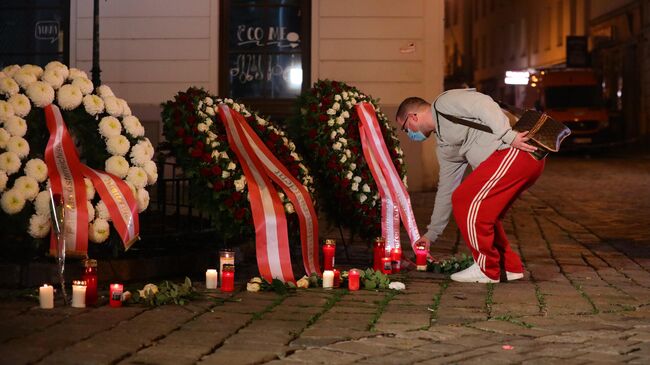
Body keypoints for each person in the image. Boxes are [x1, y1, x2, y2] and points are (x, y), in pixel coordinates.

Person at [396, 89, 544, 283]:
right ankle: (507, 267)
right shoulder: (444, 145)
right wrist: (431, 234)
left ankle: (486, 269)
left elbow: (484, 103)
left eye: (405, 128)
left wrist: (508, 135)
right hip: (508, 160)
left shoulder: (444, 102)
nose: (409, 135)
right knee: (484, 212)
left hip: (515, 151)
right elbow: (446, 189)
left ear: (413, 117)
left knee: (465, 200)